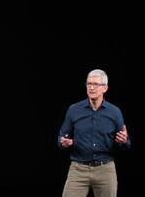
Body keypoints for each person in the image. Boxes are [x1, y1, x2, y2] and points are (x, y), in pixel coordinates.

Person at [58, 69, 131, 197]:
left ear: (105, 88)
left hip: (105, 169)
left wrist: (124, 141)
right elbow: (61, 139)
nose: (91, 88)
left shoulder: (114, 112)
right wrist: (64, 143)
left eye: (96, 84)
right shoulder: (74, 110)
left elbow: (126, 145)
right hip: (78, 169)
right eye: (89, 84)